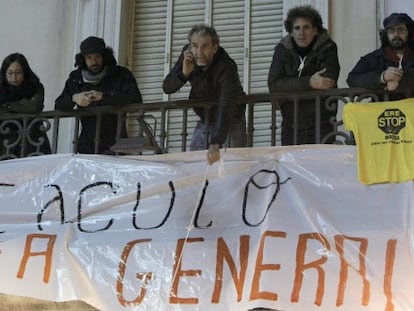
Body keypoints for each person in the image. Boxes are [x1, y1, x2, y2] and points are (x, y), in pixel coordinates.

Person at [162, 24, 246, 165]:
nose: (199, 52)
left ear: (215, 47)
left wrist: (216, 141)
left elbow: (226, 104)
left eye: (205, 46)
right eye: (195, 46)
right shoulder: (187, 55)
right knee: (196, 162)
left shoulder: (225, 66)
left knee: (232, 165)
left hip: (231, 120)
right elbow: (167, 87)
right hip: (205, 119)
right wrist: (183, 74)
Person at [55, 36, 143, 154]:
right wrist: (74, 98)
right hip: (87, 143)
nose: (94, 62)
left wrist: (105, 96)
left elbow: (136, 100)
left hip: (116, 142)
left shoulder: (121, 74)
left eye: (97, 56)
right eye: (89, 58)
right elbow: (59, 104)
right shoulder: (76, 78)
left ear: (105, 56)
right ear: (83, 59)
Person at [267, 5, 340, 145]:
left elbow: (328, 81)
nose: (301, 32)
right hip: (290, 123)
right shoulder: (282, 50)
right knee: (290, 166)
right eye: (297, 28)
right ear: (291, 32)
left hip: (322, 122)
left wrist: (289, 84)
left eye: (306, 27)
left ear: (315, 30)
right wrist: (309, 82)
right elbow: (274, 84)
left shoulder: (328, 47)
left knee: (321, 165)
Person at [347, 13, 414, 96]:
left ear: (409, 33)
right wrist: (382, 77)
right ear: (386, 34)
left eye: (401, 30)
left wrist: (400, 81)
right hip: (381, 107)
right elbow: (352, 79)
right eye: (391, 30)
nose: (396, 34)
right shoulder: (374, 58)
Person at [0, 53, 51, 158]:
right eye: (10, 73)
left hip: (32, 137)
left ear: (25, 72)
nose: (14, 77)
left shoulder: (35, 86)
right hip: (6, 138)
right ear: (4, 73)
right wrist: (22, 106)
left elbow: (34, 106)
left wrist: (8, 106)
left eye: (18, 72)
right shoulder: (1, 88)